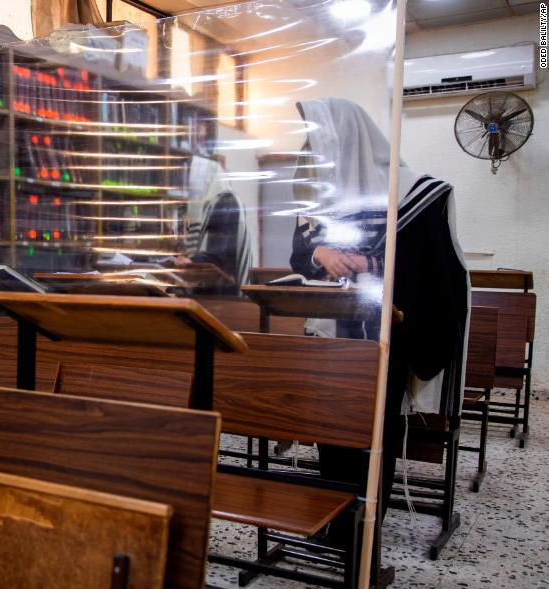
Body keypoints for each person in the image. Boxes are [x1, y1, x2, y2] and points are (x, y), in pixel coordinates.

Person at [289, 97, 469, 535]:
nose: (311, 149)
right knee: (330, 427)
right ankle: (331, 519)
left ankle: (363, 529)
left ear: (346, 138)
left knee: (372, 433)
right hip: (329, 333)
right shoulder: (323, 198)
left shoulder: (418, 195)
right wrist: (319, 252)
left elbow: (433, 273)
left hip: (385, 336)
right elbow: (297, 255)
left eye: (319, 139)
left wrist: (372, 267)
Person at [174, 156, 252, 293]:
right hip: (206, 287)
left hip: (223, 291)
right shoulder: (205, 204)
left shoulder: (226, 201)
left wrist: (191, 261)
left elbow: (221, 253)